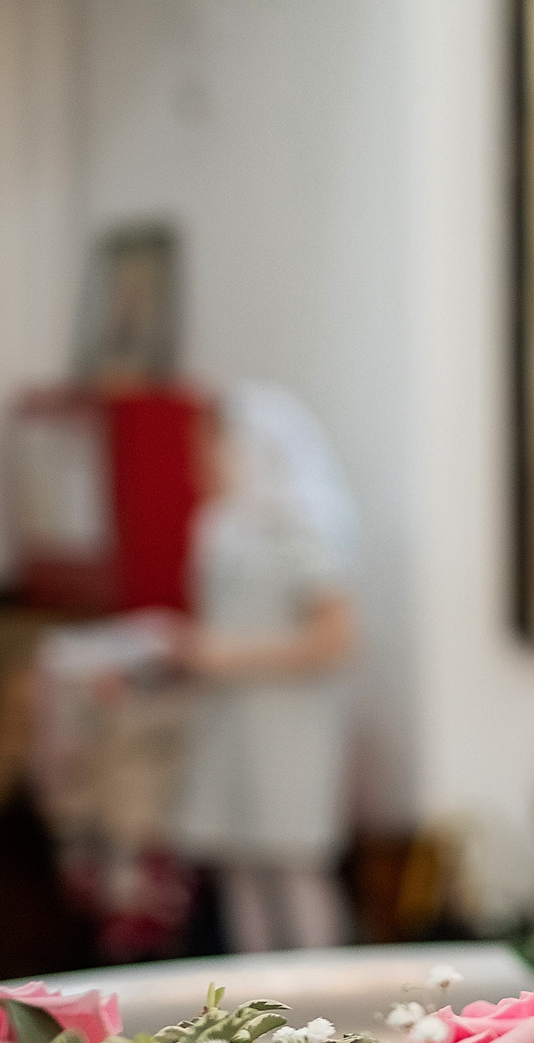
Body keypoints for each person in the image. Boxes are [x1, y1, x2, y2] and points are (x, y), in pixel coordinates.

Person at [172, 383, 359, 953]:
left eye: (213, 449)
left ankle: (326, 1016)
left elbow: (335, 638)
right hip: (230, 723)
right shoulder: (219, 528)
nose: (202, 464)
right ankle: (263, 1014)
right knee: (241, 867)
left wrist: (230, 654)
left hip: (290, 728)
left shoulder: (306, 528)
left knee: (293, 865)